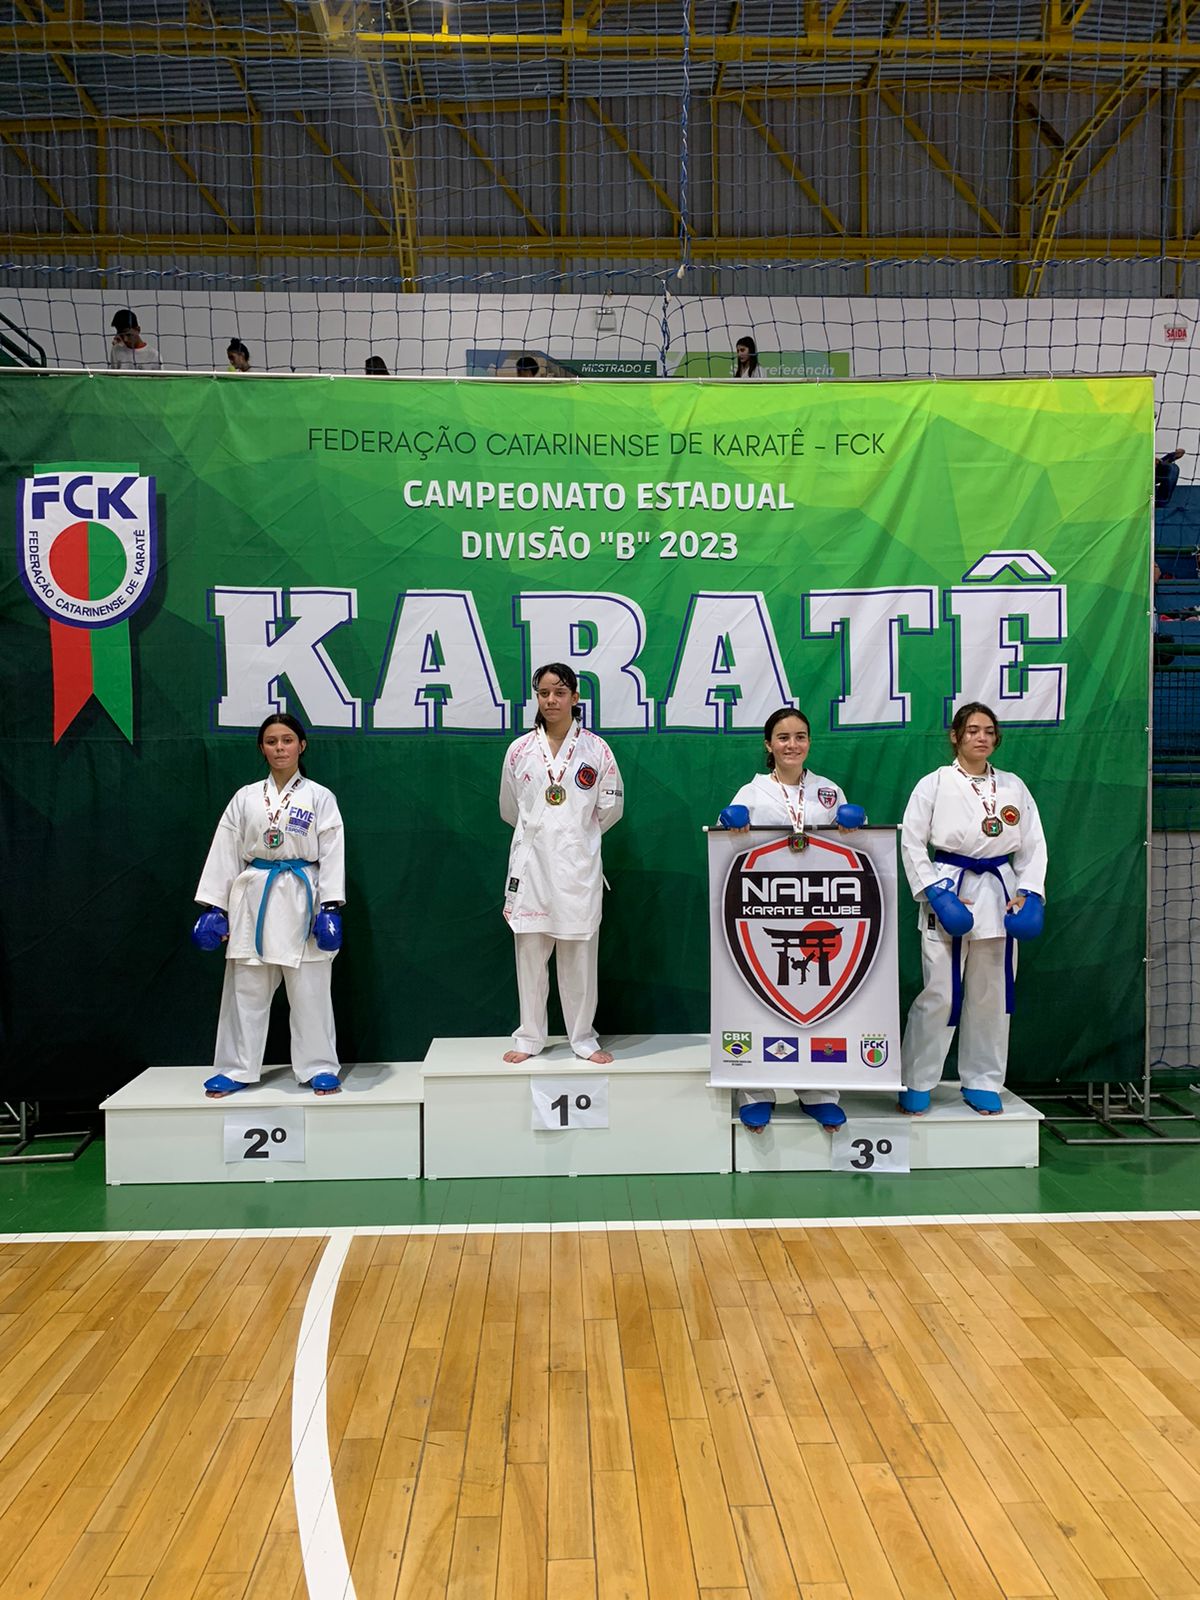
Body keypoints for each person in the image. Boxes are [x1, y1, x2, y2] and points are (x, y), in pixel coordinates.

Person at [718, 707, 867, 1131]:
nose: (792, 745)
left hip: (819, 911)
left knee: (817, 1000)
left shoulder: (827, 792)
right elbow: (727, 846)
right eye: (783, 737)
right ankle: (756, 1092)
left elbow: (851, 847)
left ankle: (818, 1093)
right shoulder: (752, 792)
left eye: (800, 736)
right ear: (768, 744)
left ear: (809, 742)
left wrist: (852, 826)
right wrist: (730, 822)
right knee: (761, 1002)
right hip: (763, 914)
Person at [898, 702, 1047, 1116]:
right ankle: (918, 1079)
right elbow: (911, 842)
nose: (981, 737)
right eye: (972, 730)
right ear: (956, 736)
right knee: (940, 993)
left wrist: (1030, 892)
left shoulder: (1014, 785)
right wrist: (936, 893)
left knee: (991, 994)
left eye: (988, 731)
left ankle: (982, 1080)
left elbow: (1033, 843)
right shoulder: (935, 783)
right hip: (951, 887)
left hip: (1000, 893)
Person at [192, 714, 345, 1097]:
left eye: (288, 740)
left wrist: (329, 906)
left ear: (302, 746)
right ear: (262, 748)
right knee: (246, 988)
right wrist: (215, 906)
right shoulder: (245, 797)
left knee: (310, 989)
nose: (280, 748)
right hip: (255, 892)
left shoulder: (319, 796)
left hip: (301, 893)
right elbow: (226, 849)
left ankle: (319, 1066)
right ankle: (235, 1068)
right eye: (272, 741)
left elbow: (332, 851)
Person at [499, 664, 623, 1064]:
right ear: (536, 697)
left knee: (579, 956)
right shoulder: (519, 750)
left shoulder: (596, 750)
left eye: (560, 692)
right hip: (532, 863)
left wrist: (572, 835)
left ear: (575, 697)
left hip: (576, 865)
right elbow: (509, 807)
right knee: (530, 954)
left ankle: (583, 1037)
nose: (551, 700)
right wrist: (544, 833)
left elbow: (610, 808)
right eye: (544, 692)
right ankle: (529, 1037)